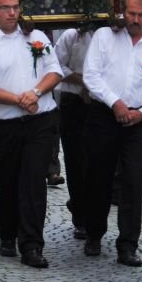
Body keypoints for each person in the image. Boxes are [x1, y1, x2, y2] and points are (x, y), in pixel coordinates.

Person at [0, 0, 62, 268]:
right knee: (7, 182)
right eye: (6, 8)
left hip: (40, 120)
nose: (12, 13)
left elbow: (54, 70)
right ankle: (8, 234)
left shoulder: (36, 37)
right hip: (4, 124)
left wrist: (34, 94)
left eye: (16, 7)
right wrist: (19, 100)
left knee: (34, 181)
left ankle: (32, 244)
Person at [82, 0, 142, 267]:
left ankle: (128, 243)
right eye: (131, 13)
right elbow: (91, 75)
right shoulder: (105, 37)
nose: (134, 19)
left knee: (133, 181)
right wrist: (115, 103)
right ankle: (94, 233)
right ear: (124, 11)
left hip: (137, 121)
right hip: (104, 115)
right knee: (99, 177)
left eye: (140, 15)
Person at [54, 24, 95, 239]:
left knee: (94, 161)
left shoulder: (108, 35)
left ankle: (90, 211)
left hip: (98, 101)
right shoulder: (71, 35)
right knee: (75, 160)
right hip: (73, 101)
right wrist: (82, 81)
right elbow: (57, 66)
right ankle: (80, 215)